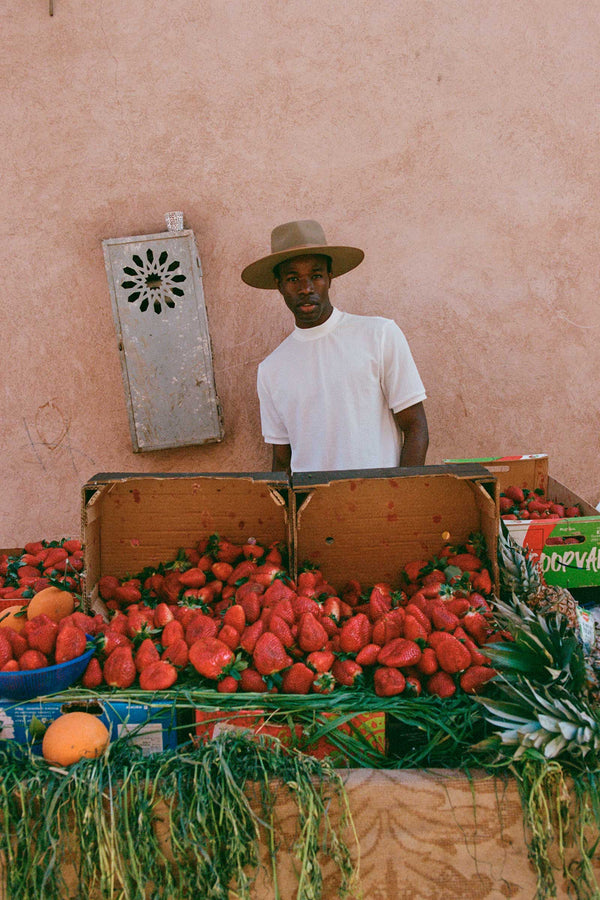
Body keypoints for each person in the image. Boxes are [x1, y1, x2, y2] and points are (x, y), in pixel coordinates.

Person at [241, 219, 429, 473]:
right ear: (279, 285)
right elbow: (283, 461)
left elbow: (416, 429)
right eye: (293, 278)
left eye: (316, 276)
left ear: (330, 277)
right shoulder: (271, 370)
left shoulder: (379, 335)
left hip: (380, 505)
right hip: (312, 509)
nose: (306, 288)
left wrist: (400, 496)